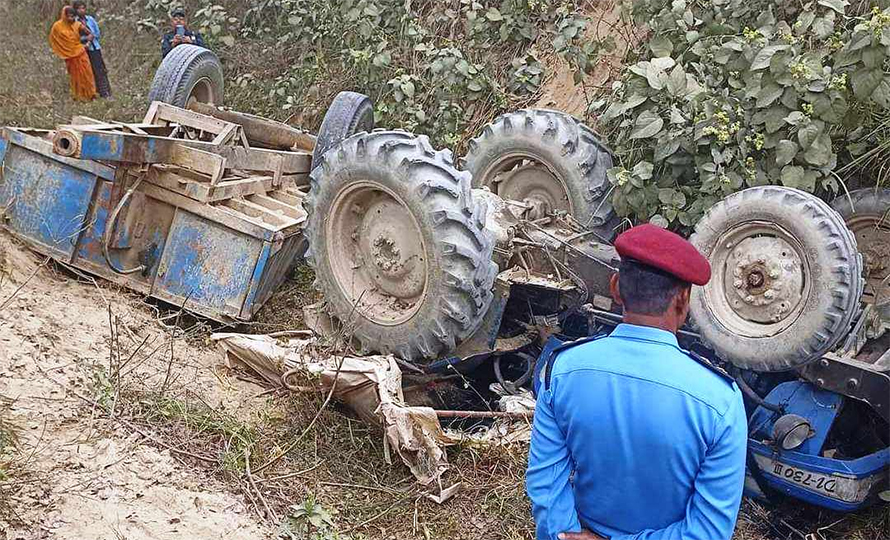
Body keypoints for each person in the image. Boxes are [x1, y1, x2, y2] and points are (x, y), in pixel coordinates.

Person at [527, 224, 748, 540]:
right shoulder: (720, 401)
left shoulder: (562, 369)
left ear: (615, 287)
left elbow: (545, 483)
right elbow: (709, 532)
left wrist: (566, 535)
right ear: (683, 300)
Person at [48, 5, 97, 102]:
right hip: (69, 56)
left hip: (81, 53)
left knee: (87, 74)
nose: (71, 18)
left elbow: (90, 34)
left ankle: (91, 95)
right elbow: (54, 40)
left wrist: (87, 43)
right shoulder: (57, 27)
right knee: (75, 77)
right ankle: (78, 97)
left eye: (73, 16)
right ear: (64, 16)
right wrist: (62, 50)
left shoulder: (77, 25)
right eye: (69, 16)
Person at [73, 1, 111, 98]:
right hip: (83, 51)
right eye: (79, 9)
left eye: (83, 8)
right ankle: (92, 93)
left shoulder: (90, 19)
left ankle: (105, 92)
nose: (81, 10)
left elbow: (97, 33)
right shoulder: (74, 23)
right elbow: (74, 38)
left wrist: (92, 37)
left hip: (95, 48)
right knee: (88, 72)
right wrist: (85, 39)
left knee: (100, 70)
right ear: (76, 10)